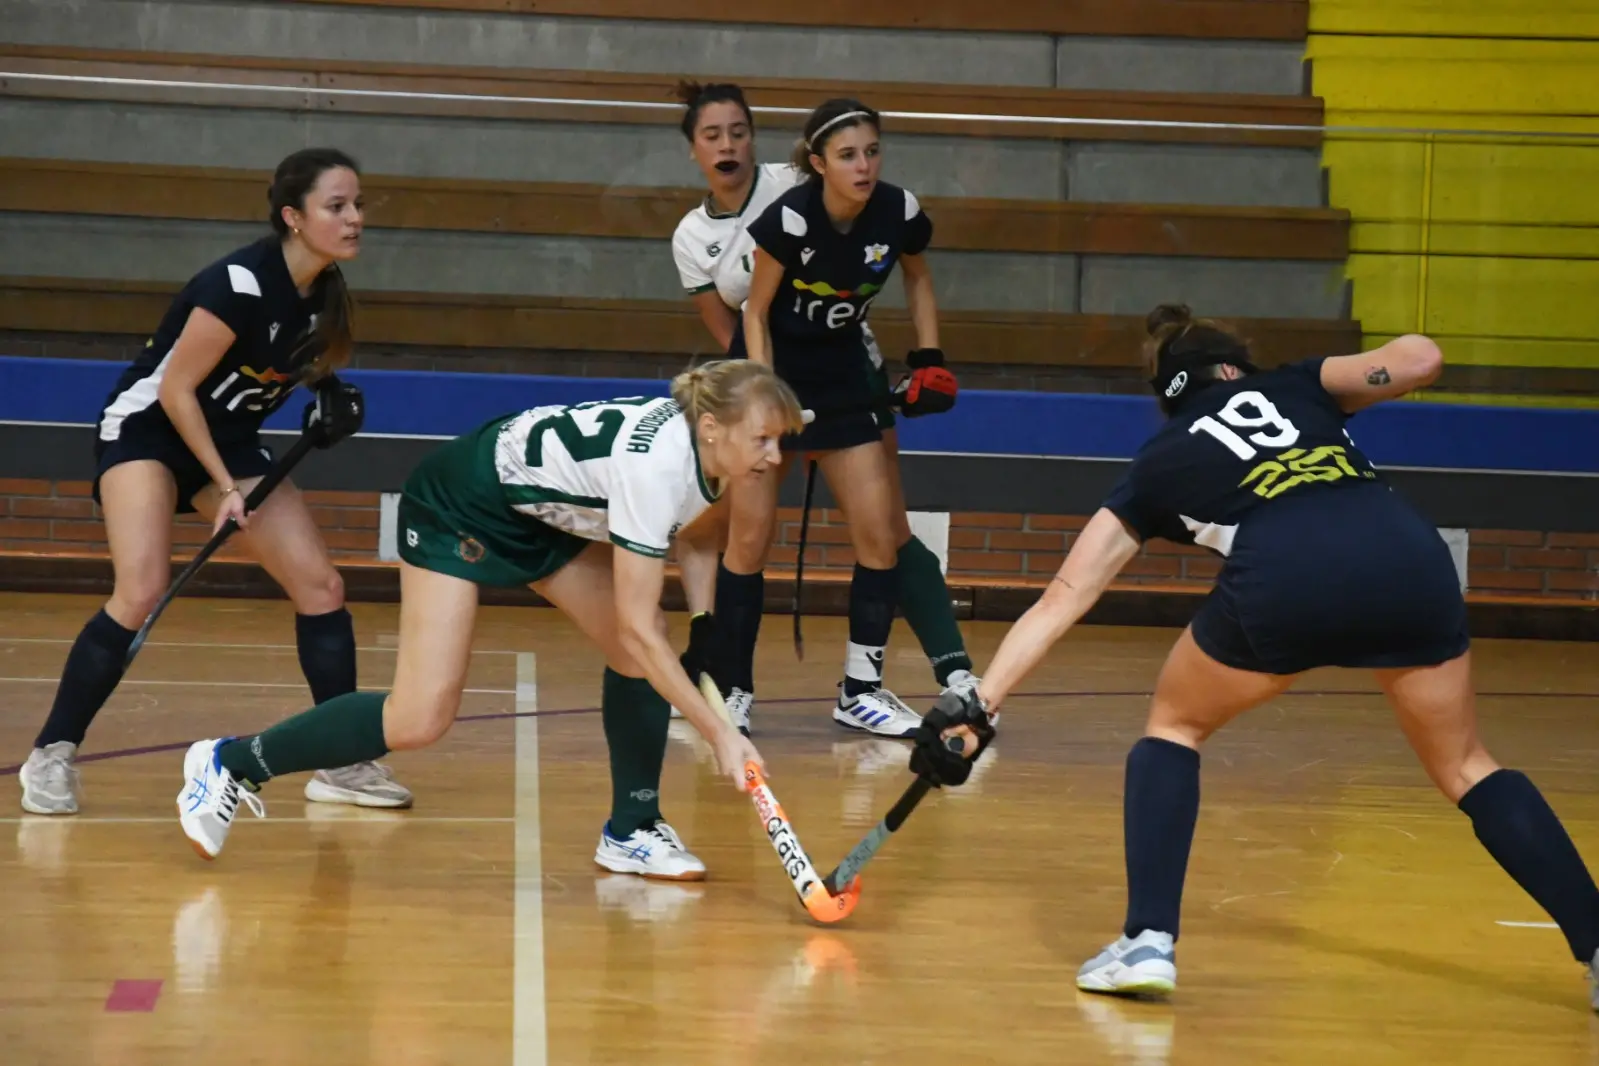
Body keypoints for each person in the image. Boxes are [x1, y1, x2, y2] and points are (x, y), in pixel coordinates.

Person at [915, 305, 1599, 1009]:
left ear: (1165, 395)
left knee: (1173, 728)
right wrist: (1357, 379)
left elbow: (1064, 595)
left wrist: (979, 706)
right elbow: (1421, 359)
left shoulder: (1158, 462)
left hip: (1287, 571)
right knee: (1464, 766)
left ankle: (1147, 941)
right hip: (1402, 551)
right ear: (1236, 367)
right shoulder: (1298, 385)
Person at [174, 360, 798, 880]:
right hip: (462, 503)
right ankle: (230, 763)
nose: (775, 456)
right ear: (713, 427)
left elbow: (692, 542)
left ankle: (631, 830)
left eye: (780, 440)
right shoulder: (657, 468)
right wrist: (719, 733)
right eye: (763, 440)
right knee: (420, 718)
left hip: (541, 513)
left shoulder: (707, 450)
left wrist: (704, 623)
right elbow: (637, 618)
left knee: (638, 654)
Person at [17, 147, 412, 816]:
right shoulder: (238, 284)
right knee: (140, 588)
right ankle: (51, 752)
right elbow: (176, 389)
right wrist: (225, 486)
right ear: (293, 216)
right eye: (336, 207)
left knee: (321, 586)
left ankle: (340, 758)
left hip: (225, 442)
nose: (354, 220)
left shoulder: (323, 295)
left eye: (358, 206)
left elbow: (286, 367)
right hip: (150, 430)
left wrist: (330, 392)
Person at [728, 96, 978, 740]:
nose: (864, 165)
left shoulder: (899, 211)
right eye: (847, 156)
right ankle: (730, 689)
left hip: (844, 374)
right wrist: (762, 396)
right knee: (749, 542)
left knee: (876, 536)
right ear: (818, 164)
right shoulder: (788, 220)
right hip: (772, 368)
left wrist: (927, 357)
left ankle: (860, 689)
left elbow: (918, 278)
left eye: (872, 151)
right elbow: (754, 313)